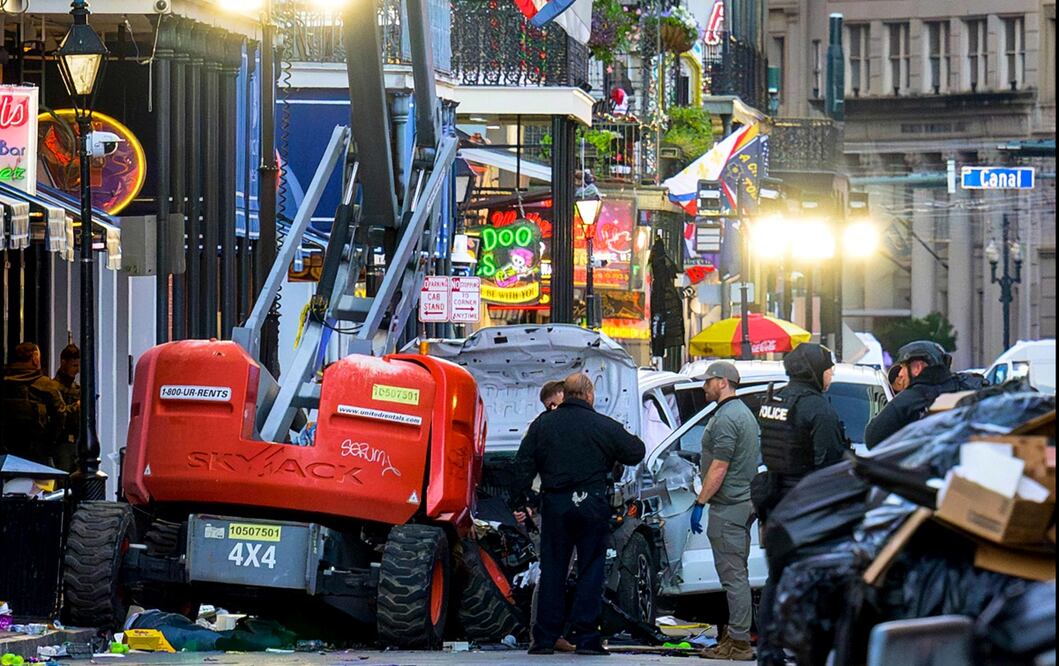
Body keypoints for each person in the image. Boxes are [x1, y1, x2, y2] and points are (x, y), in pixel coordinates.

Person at [511, 372, 645, 656]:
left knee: (553, 571)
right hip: (592, 503)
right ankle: (586, 638)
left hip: (556, 504)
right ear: (589, 394)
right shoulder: (601, 424)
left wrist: (523, 500)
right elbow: (636, 451)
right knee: (591, 569)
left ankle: (545, 638)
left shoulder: (542, 425)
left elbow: (522, 464)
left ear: (566, 394)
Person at [754, 343, 848, 666]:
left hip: (776, 498)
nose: (831, 374)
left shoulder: (773, 400)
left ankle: (770, 649)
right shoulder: (817, 409)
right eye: (828, 368)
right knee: (818, 577)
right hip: (808, 504)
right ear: (813, 370)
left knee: (777, 576)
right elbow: (830, 463)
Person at [689, 362, 759, 661]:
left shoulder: (728, 417)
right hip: (739, 503)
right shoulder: (741, 413)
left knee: (733, 577)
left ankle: (740, 643)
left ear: (723, 382)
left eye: (709, 381)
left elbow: (719, 467)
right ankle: (734, 637)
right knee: (736, 574)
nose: (705, 387)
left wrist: (700, 502)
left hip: (729, 506)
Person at [864, 341, 979, 449]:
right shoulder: (971, 388)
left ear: (917, 368)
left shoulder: (907, 401)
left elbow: (872, 438)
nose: (900, 374)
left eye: (903, 367)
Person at [0, 342, 67, 467]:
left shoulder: (5, 383)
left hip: (6, 452)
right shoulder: (45, 385)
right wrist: (50, 441)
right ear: (35, 358)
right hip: (37, 452)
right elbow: (60, 415)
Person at [53, 344, 81, 473]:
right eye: (74, 366)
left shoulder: (76, 388)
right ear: (63, 362)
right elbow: (59, 413)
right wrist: (77, 407)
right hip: (61, 442)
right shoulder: (53, 388)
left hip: (75, 441)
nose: (77, 370)